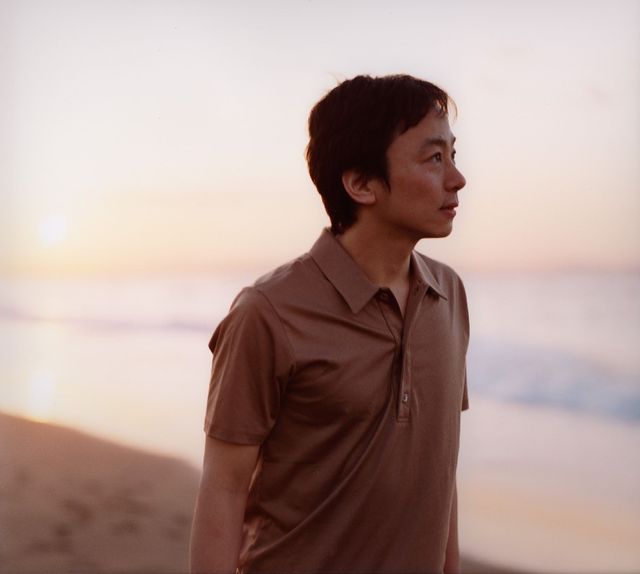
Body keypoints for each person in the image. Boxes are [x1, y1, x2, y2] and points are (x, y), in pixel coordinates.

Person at [190, 74, 469, 574]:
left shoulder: (448, 295)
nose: (457, 178)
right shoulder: (267, 313)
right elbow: (224, 487)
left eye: (453, 154)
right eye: (433, 158)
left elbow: (439, 472)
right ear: (361, 184)